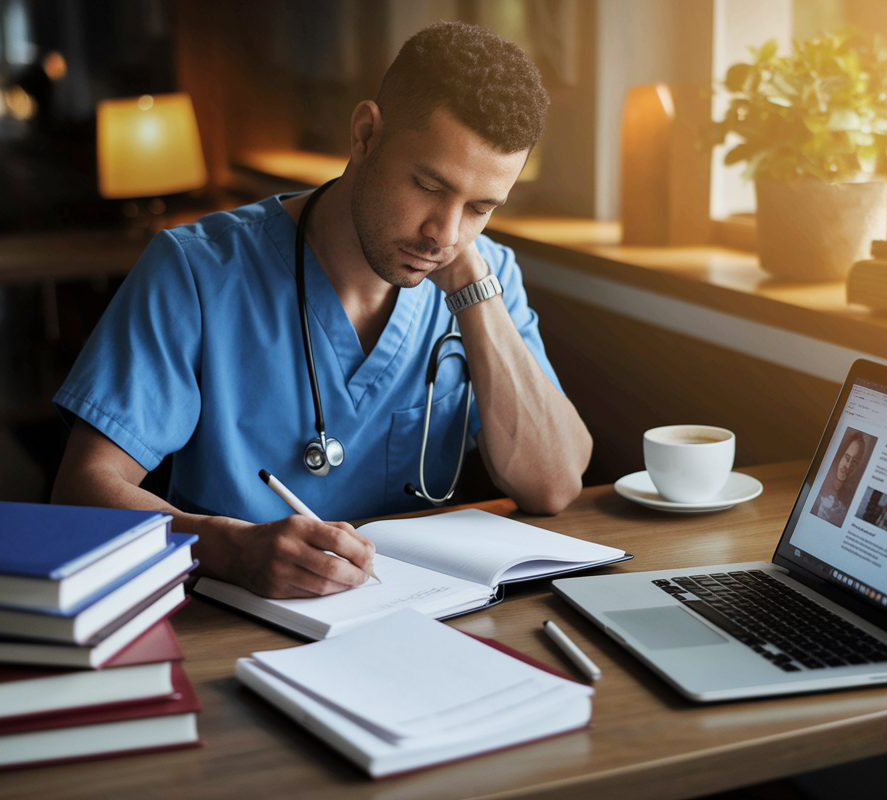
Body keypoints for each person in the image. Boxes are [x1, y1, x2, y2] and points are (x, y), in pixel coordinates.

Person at [50, 22, 592, 600]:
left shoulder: (484, 277)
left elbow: (553, 485)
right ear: (364, 134)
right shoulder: (196, 270)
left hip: (420, 615)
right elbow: (82, 491)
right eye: (430, 186)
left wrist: (473, 290)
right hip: (235, 616)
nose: (446, 233)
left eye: (481, 207)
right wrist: (227, 548)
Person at [812, 431, 866, 526]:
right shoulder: (817, 483)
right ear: (840, 455)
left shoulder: (851, 501)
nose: (848, 466)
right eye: (846, 457)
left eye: (854, 462)